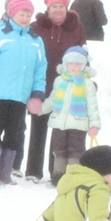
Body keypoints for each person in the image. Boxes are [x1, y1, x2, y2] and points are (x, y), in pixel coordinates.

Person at [0, 0, 48, 186]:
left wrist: (37, 94)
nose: (24, 18)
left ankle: (5, 173)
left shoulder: (35, 40)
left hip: (20, 97)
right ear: (11, 13)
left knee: (14, 135)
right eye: (21, 14)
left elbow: (40, 69)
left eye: (28, 14)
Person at [25, 0, 86, 181]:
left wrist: (85, 80)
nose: (58, 10)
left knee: (60, 130)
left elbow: (83, 55)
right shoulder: (36, 27)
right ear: (48, 8)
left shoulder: (76, 28)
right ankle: (33, 171)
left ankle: (56, 171)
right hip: (40, 85)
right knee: (38, 127)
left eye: (61, 6)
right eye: (54, 6)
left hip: (65, 87)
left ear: (66, 8)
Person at [43, 47, 101, 179]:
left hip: (78, 124)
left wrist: (94, 124)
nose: (74, 67)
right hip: (59, 123)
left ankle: (73, 177)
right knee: (59, 151)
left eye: (78, 64)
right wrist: (40, 108)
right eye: (71, 64)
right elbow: (53, 100)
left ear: (83, 66)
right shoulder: (59, 81)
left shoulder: (87, 83)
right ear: (65, 64)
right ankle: (58, 176)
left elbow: (92, 106)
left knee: (76, 151)